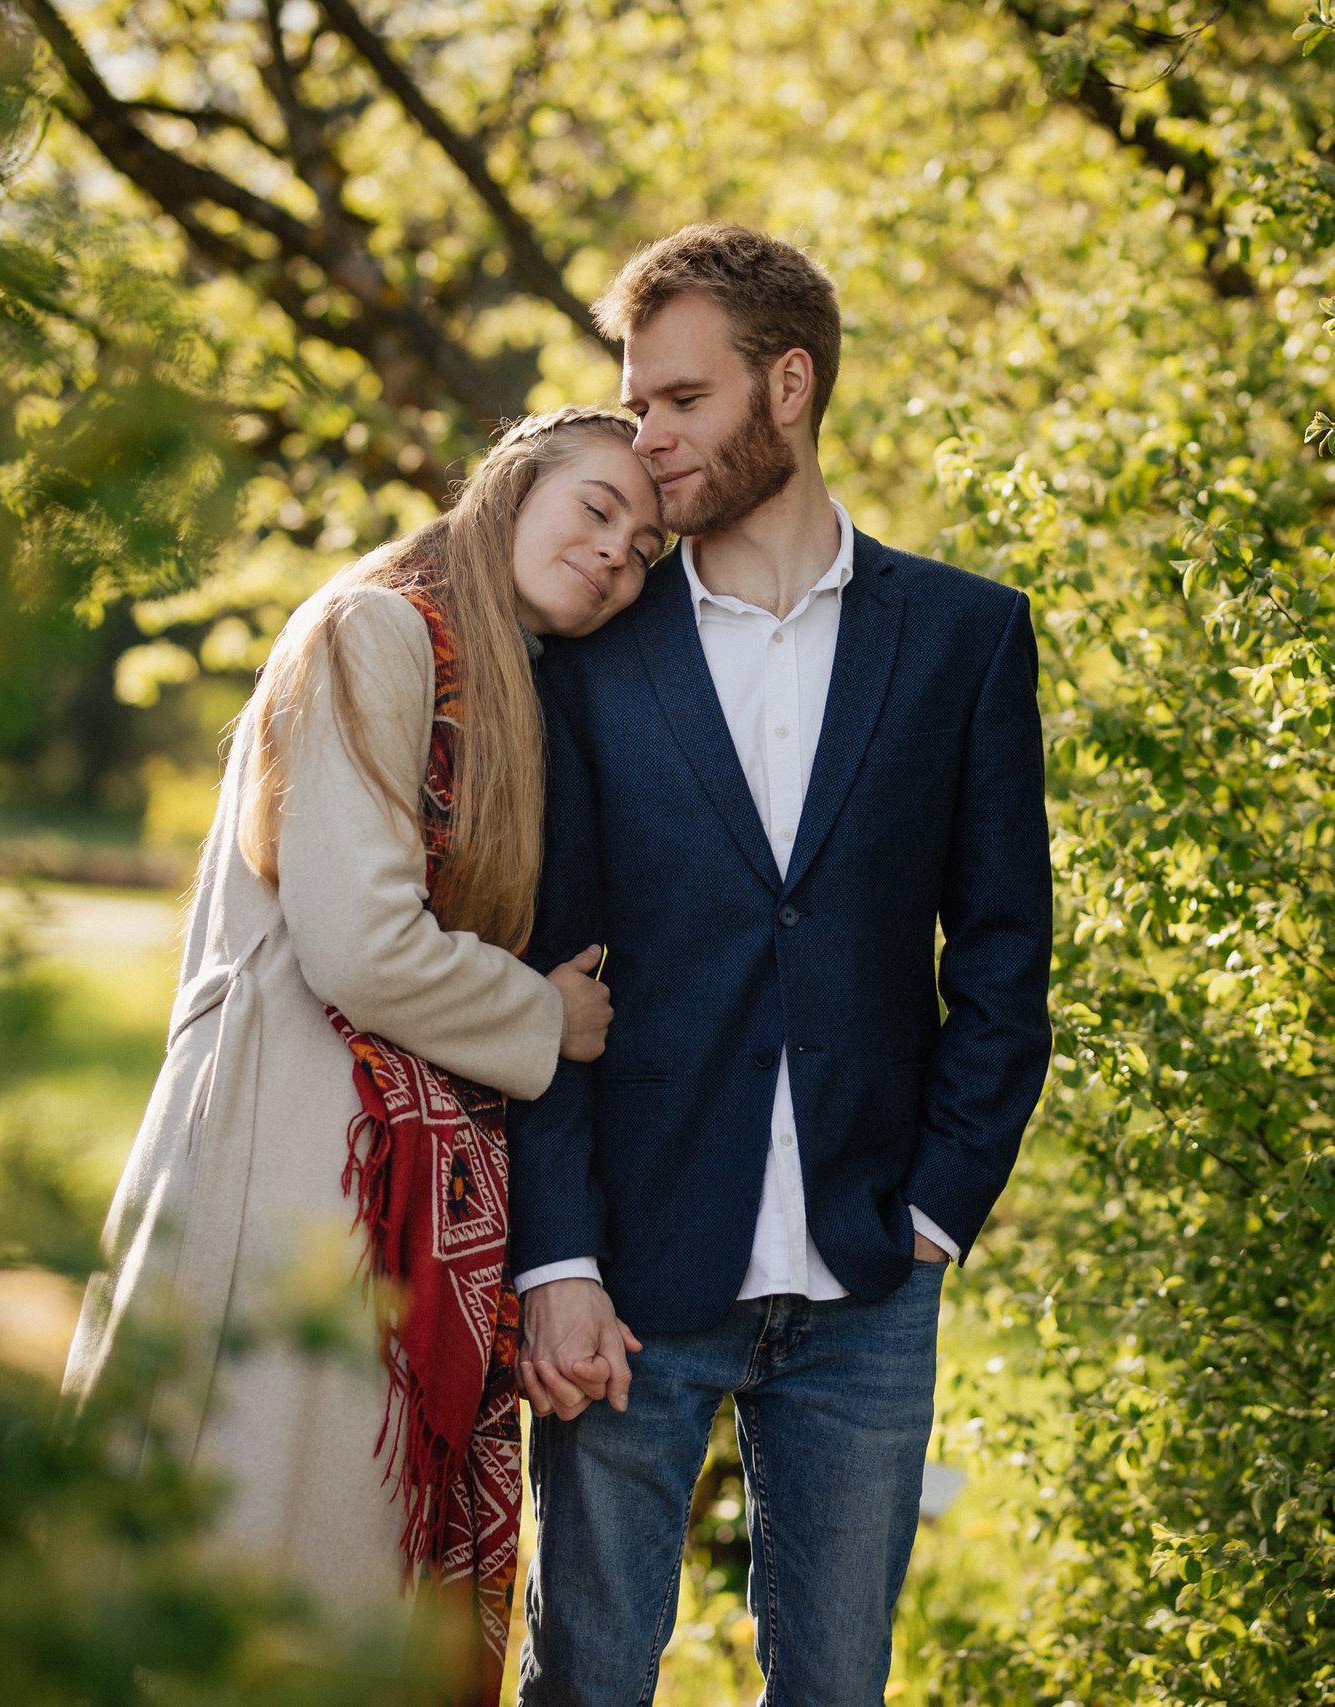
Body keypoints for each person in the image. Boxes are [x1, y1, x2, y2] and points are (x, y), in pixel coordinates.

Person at [509, 227, 1054, 1704]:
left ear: (789, 385)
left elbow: (1005, 956)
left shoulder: (964, 639)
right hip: (629, 1274)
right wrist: (555, 1258)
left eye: (681, 399)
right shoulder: (591, 661)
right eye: (638, 403)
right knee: (587, 1681)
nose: (648, 437)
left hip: (869, 1274)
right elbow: (543, 969)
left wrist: (939, 1206)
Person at [61, 407, 663, 1697]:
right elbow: (356, 941)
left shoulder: (501, 676)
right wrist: (543, 1020)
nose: (620, 552)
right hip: (298, 1153)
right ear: (512, 485)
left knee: (329, 1559)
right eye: (598, 508)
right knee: (257, 1538)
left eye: (649, 548)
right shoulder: (382, 628)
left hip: (373, 1159)